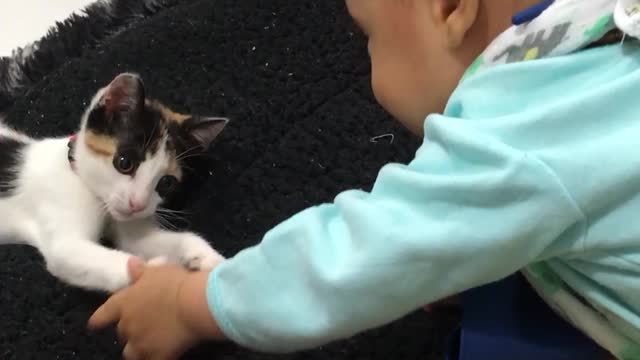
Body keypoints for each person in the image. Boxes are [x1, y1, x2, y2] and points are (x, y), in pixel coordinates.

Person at [87, 0, 640, 359]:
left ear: (451, 8)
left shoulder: (521, 127)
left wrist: (189, 303)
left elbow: (355, 257)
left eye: (367, 38)